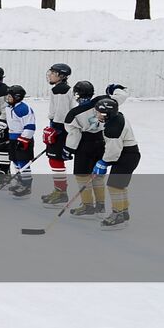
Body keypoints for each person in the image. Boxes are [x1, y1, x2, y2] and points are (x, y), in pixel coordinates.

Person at [93, 94, 140, 229]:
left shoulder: (113, 128)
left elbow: (113, 151)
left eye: (99, 113)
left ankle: (118, 214)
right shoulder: (117, 117)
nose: (97, 115)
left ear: (106, 114)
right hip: (129, 154)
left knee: (114, 186)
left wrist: (103, 162)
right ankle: (123, 212)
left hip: (126, 156)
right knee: (119, 185)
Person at [63, 80, 104, 217]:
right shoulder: (101, 103)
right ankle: (100, 206)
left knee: (82, 176)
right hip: (101, 142)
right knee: (97, 176)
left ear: (77, 94)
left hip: (85, 145)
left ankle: (87, 206)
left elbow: (74, 133)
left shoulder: (74, 113)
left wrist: (68, 149)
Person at [39, 63, 74, 205]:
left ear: (61, 76)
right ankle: (59, 190)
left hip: (61, 128)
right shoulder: (60, 88)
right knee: (54, 159)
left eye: (53, 73)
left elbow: (62, 113)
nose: (50, 75)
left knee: (56, 160)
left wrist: (56, 130)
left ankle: (61, 192)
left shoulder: (61, 90)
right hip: (59, 127)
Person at [4, 85, 37, 197]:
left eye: (10, 96)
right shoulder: (9, 108)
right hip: (13, 139)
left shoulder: (23, 109)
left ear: (17, 97)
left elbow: (30, 126)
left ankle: (26, 185)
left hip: (23, 140)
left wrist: (23, 140)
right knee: (15, 160)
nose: (7, 98)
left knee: (23, 162)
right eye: (7, 96)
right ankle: (19, 181)